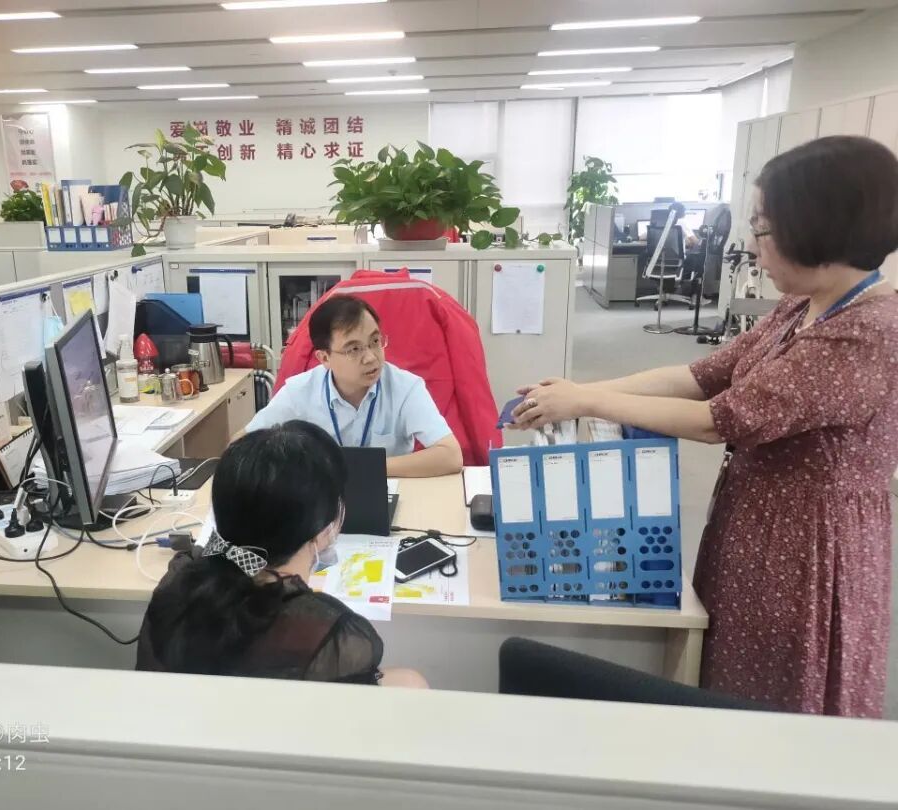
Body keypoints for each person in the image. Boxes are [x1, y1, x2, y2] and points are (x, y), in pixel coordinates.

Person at [508, 135, 898, 717]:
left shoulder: (866, 332)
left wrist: (587, 399)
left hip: (806, 547)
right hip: (757, 522)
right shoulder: (803, 305)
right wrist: (577, 391)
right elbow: (699, 376)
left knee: (782, 692)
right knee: (729, 668)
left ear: (818, 226)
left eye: (764, 227)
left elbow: (718, 420)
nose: (754, 243)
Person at [137, 420, 428, 688]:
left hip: (193, 723)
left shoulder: (177, 581)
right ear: (324, 528)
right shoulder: (328, 630)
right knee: (411, 683)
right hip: (277, 725)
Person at [238, 295, 463, 478]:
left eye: (375, 342)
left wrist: (365, 468)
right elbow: (240, 445)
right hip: (321, 499)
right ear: (324, 358)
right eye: (354, 349)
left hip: (386, 492)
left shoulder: (406, 387)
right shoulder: (299, 392)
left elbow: (451, 455)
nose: (371, 358)